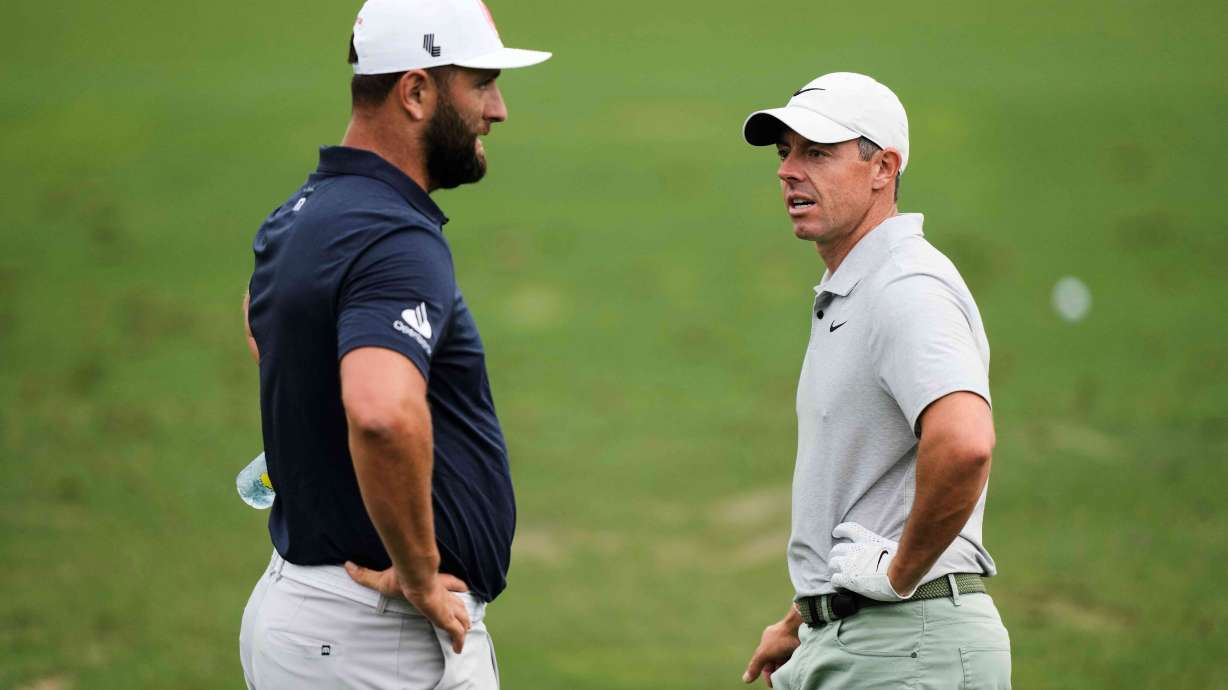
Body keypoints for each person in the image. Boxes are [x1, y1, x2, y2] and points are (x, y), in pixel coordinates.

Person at [237, 1, 549, 687]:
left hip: (316, 618)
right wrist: (421, 574)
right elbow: (380, 413)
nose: (496, 110)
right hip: (375, 641)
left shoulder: (301, 213)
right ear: (415, 91)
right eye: (482, 84)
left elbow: (268, 334)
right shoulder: (394, 238)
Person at [738, 72, 1011, 689]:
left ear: (883, 168)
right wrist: (806, 614)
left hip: (910, 649)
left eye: (817, 153)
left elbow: (966, 442)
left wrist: (898, 573)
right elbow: (866, 490)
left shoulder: (906, 288)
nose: (788, 170)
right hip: (864, 642)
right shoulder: (858, 289)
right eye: (785, 153)